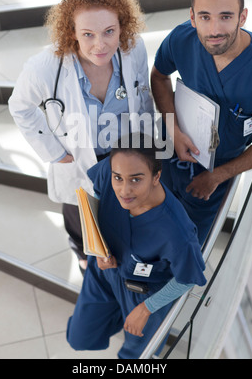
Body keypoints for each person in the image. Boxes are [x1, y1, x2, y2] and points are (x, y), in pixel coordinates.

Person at [8, 0, 154, 273]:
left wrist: (147, 145)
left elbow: (143, 92)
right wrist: (53, 151)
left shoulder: (133, 49)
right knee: (81, 217)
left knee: (121, 213)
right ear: (71, 33)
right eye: (88, 34)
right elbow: (19, 106)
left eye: (109, 31)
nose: (100, 45)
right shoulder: (44, 68)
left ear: (122, 27)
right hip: (76, 162)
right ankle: (82, 254)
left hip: (122, 155)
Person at [151, 0, 252, 245]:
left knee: (189, 244)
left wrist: (219, 176)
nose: (214, 30)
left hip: (215, 175)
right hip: (166, 151)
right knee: (150, 222)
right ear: (192, 17)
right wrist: (173, 129)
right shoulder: (182, 39)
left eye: (226, 17)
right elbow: (159, 76)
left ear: (243, 17)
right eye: (205, 17)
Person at [67, 133, 206, 359]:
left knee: (137, 357)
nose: (124, 190)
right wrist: (99, 250)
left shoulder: (176, 232)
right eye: (118, 178)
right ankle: (115, 317)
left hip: (145, 291)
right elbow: (99, 194)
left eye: (136, 179)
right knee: (80, 336)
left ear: (156, 176)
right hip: (106, 269)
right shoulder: (109, 171)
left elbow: (188, 277)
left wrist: (146, 309)